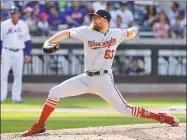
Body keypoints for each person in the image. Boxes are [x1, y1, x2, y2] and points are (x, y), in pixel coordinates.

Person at [21, 9, 179, 137]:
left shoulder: (117, 33)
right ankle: (39, 125)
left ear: (105, 20)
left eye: (97, 18)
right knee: (54, 92)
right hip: (86, 77)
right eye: (93, 17)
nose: (93, 20)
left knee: (124, 108)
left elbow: (131, 32)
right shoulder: (86, 31)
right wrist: (49, 42)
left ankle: (160, 116)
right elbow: (66, 33)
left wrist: (134, 30)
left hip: (104, 79)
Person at [0, 6, 31, 103]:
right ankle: (1, 97)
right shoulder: (4, 25)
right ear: (10, 14)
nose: (14, 15)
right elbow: (0, 40)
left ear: (19, 14)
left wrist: (28, 54)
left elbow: (27, 41)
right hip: (6, 51)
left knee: (18, 75)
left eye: (16, 13)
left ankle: (16, 97)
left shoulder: (23, 25)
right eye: (12, 13)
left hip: (19, 52)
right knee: (3, 75)